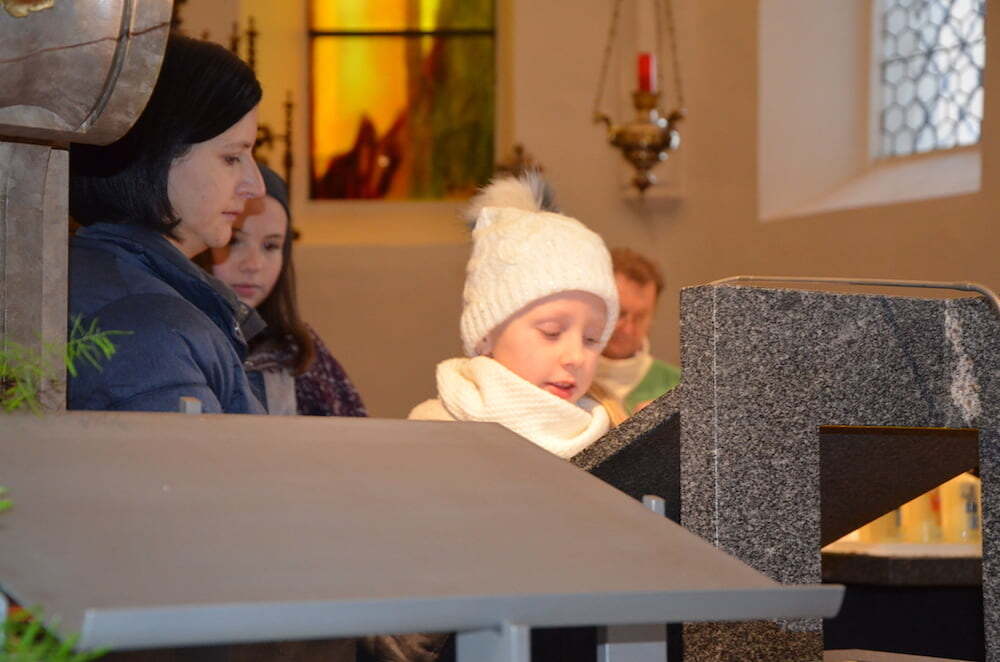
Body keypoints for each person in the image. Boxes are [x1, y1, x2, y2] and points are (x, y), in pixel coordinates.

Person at [67, 35, 267, 413]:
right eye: (231, 157)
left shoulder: (120, 283)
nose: (255, 186)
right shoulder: (144, 327)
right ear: (158, 154)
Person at [409, 173, 621, 457]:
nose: (576, 357)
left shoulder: (612, 436)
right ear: (486, 335)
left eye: (592, 339)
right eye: (551, 332)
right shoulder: (432, 432)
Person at [203, 163, 367, 417]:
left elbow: (353, 436)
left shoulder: (299, 352)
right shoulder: (178, 342)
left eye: (270, 246)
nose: (253, 265)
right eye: (234, 241)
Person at [592, 247, 681, 414]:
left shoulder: (679, 389)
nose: (628, 328)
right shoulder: (567, 376)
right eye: (620, 313)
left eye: (640, 317)